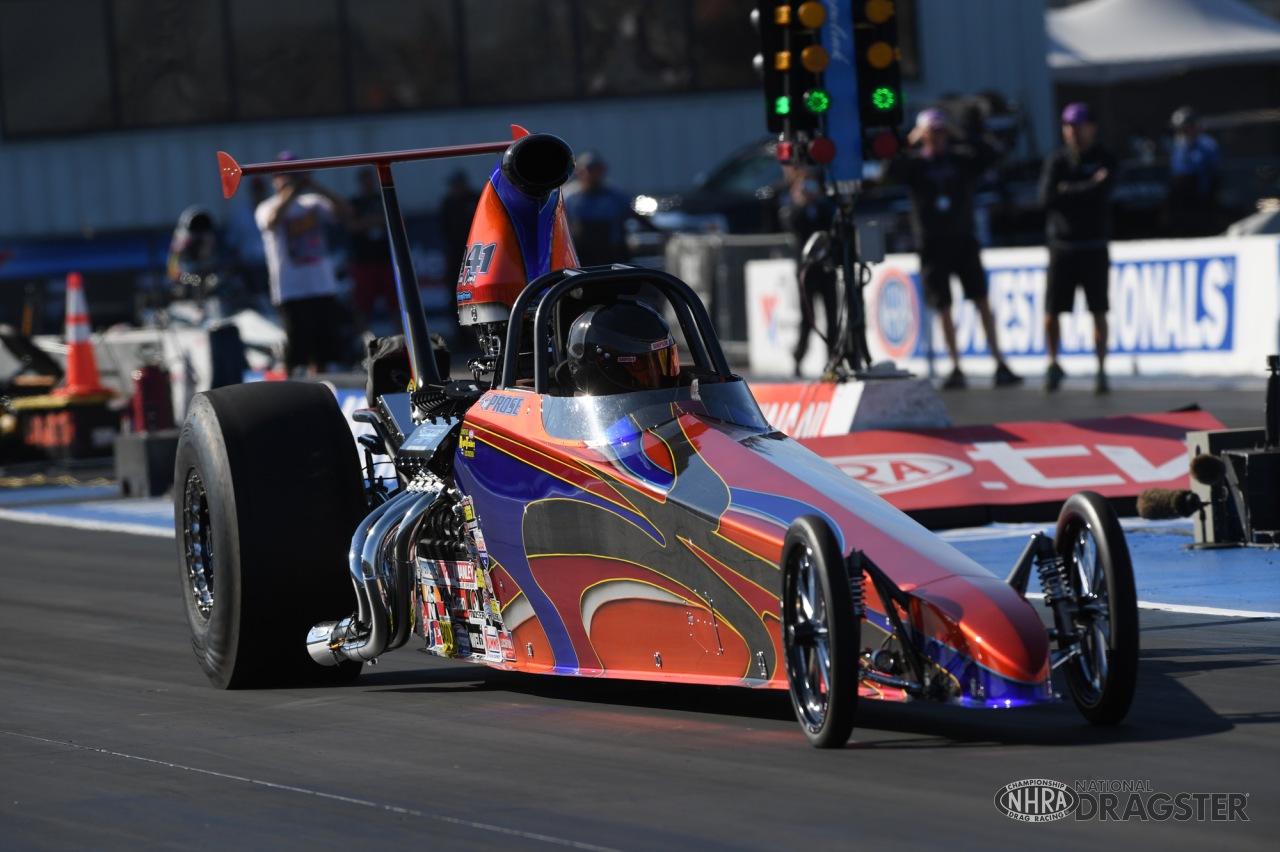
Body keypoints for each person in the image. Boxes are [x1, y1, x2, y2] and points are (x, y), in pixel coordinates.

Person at [887, 108, 1022, 390]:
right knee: (943, 305)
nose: (938, 138)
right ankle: (956, 365)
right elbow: (889, 168)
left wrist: (962, 132)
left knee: (981, 300)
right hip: (933, 244)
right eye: (932, 133)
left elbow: (990, 155)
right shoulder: (916, 165)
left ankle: (999, 362)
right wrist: (909, 140)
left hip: (963, 239)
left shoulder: (961, 160)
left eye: (941, 132)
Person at [1039, 102, 1117, 395]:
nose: (1072, 132)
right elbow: (1047, 198)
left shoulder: (1104, 158)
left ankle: (1101, 368)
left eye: (1078, 125)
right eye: (1068, 126)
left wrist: (1068, 190)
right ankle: (1053, 362)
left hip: (1094, 245)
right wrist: (1085, 187)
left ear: (1091, 127)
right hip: (1062, 245)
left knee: (1098, 309)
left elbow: (1103, 193)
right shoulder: (1057, 160)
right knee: (1052, 310)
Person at [255, 151, 351, 376]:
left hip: (322, 287)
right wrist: (291, 189)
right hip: (292, 291)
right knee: (296, 353)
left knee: (325, 352)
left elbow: (345, 212)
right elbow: (272, 221)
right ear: (275, 179)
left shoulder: (314, 203)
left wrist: (313, 185)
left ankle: (321, 389)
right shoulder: (267, 207)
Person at [779, 168, 839, 376]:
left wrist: (819, 200)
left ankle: (833, 359)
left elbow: (834, 223)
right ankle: (799, 357)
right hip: (806, 271)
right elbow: (791, 224)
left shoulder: (825, 208)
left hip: (825, 269)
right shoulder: (795, 210)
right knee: (807, 318)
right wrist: (800, 201)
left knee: (832, 317)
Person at [565, 301, 680, 395]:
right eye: (643, 366)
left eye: (662, 362)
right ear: (610, 366)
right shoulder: (570, 420)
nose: (656, 375)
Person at [346, 167, 400, 337]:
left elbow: (397, 222)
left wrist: (369, 222)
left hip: (386, 260)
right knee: (362, 306)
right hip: (364, 262)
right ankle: (362, 341)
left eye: (371, 180)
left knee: (396, 304)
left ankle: (402, 339)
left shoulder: (384, 199)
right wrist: (375, 221)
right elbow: (352, 226)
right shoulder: (355, 203)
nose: (369, 184)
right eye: (365, 181)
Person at [563, 151, 634, 267]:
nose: (593, 174)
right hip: (581, 259)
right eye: (589, 169)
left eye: (598, 170)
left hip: (612, 257)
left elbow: (635, 216)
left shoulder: (617, 196)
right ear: (578, 172)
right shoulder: (568, 197)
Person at [1167, 106, 1222, 238]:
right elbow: (1175, 171)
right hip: (1181, 198)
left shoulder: (1207, 144)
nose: (1183, 132)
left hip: (1202, 195)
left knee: (1204, 229)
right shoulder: (1177, 146)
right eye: (1179, 129)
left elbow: (1216, 171)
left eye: (1185, 128)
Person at [439, 169, 481, 288]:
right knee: (455, 281)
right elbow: (444, 227)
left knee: (475, 280)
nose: (456, 187)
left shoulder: (475, 199)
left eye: (458, 184)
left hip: (474, 248)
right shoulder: (447, 203)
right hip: (455, 251)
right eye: (453, 184)